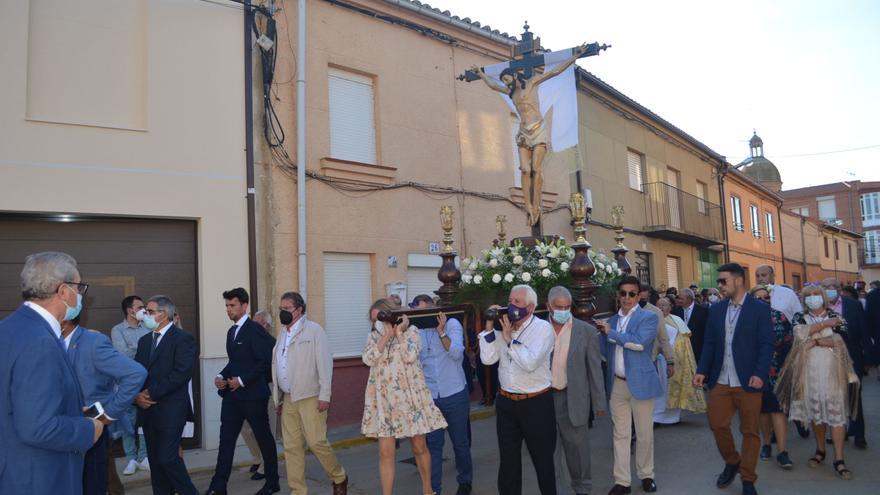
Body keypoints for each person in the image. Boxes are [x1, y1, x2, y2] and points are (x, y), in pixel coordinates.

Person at [0, 252, 103, 494]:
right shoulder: (41, 342)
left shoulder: (9, 328)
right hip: (40, 478)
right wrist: (89, 429)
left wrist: (69, 408)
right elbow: (37, 428)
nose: (80, 296)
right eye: (79, 287)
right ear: (64, 291)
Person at [472, 44, 588, 226]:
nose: (507, 84)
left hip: (538, 129)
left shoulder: (532, 83)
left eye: (509, 80)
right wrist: (480, 73)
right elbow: (493, 86)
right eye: (505, 82)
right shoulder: (511, 93)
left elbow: (554, 72)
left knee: (536, 169)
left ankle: (537, 206)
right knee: (525, 170)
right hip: (523, 132)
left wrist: (573, 58)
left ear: (515, 76)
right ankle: (528, 207)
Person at [694, 263, 774, 495]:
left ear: (738, 281)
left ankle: (748, 479)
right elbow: (709, 343)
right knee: (717, 423)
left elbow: (766, 344)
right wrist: (702, 370)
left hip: (749, 380)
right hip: (721, 379)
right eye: (719, 281)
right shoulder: (716, 309)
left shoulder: (759, 309)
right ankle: (732, 461)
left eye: (723, 281)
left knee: (750, 431)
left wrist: (760, 374)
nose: (719, 285)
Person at [363, 298, 447, 495]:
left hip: (410, 399)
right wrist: (384, 336)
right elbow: (367, 359)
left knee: (419, 447)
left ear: (391, 315)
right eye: (375, 320)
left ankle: (427, 490)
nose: (378, 323)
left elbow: (410, 356)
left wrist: (398, 333)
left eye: (381, 318)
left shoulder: (412, 332)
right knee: (385, 453)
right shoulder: (374, 336)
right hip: (385, 401)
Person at [479, 285, 557, 495]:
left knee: (543, 461)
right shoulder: (503, 326)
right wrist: (488, 325)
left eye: (517, 302)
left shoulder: (543, 329)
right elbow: (488, 358)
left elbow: (530, 363)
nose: (511, 305)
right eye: (510, 300)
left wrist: (509, 339)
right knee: (508, 462)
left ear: (530, 307)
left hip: (536, 403)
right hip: (506, 404)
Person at [775, 285, 858, 480]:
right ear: (803, 300)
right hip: (809, 373)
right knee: (816, 413)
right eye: (808, 296)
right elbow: (799, 338)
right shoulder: (799, 317)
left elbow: (843, 340)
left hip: (833, 373)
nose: (813, 298)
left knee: (837, 414)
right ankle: (820, 450)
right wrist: (825, 327)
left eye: (816, 295)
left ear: (823, 297)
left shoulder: (837, 316)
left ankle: (839, 458)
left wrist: (816, 340)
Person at [62, 316, 148, 495]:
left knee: (96, 481)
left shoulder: (92, 342)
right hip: (63, 428)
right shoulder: (50, 342)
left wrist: (108, 415)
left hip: (92, 425)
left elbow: (135, 374)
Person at [274, 292, 348, 495]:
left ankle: (339, 475)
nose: (282, 313)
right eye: (280, 309)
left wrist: (325, 395)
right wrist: (277, 397)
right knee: (292, 448)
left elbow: (325, 364)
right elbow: (277, 365)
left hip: (310, 397)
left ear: (299, 310)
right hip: (288, 398)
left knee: (316, 442)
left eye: (286, 309)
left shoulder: (314, 331)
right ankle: (298, 491)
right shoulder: (282, 334)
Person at [206, 288, 279, 495]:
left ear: (244, 306)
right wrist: (221, 376)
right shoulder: (231, 331)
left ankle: (272, 482)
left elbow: (265, 361)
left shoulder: (255, 330)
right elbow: (235, 362)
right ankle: (218, 485)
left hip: (254, 397)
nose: (228, 310)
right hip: (232, 397)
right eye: (227, 306)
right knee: (226, 441)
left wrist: (242, 380)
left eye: (232, 305)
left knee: (264, 439)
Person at [596, 275, 662, 495]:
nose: (627, 298)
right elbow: (605, 352)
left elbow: (639, 344)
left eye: (631, 294)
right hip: (617, 384)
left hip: (641, 383)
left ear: (638, 295)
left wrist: (611, 334)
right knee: (620, 435)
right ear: (618, 295)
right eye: (623, 293)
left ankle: (646, 475)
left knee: (644, 434)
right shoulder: (611, 321)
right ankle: (622, 481)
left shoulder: (648, 317)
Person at [134, 295, 198, 495]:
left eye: (150, 312)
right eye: (146, 312)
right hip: (148, 411)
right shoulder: (145, 341)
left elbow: (180, 374)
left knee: (168, 458)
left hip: (171, 410)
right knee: (156, 465)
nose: (146, 315)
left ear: (165, 314)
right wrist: (136, 396)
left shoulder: (183, 339)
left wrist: (150, 393)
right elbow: (137, 372)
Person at [410, 294, 473, 495]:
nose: (422, 316)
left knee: (460, 443)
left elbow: (456, 353)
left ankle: (465, 482)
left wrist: (441, 333)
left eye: (425, 312)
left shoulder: (452, 323)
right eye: (418, 312)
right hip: (430, 397)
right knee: (433, 446)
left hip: (454, 392)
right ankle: (433, 488)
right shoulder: (415, 331)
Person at [547, 286, 606, 495]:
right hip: (543, 401)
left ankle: (583, 489)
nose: (563, 310)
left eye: (566, 307)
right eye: (558, 307)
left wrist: (599, 403)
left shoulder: (586, 331)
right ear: (548, 306)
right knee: (547, 454)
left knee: (578, 454)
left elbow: (594, 369)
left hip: (574, 399)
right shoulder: (537, 329)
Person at [749, 285, 794, 469]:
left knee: (778, 410)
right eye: (758, 298)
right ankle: (767, 444)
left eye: (766, 298)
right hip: (755, 372)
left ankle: (783, 452)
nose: (763, 301)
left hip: (777, 371)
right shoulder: (745, 318)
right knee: (762, 411)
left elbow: (789, 342)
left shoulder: (779, 316)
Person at [821, 278, 868, 449]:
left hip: (852, 357)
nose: (830, 290)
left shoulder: (853, 305)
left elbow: (864, 330)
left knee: (854, 395)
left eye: (833, 286)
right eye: (826, 287)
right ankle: (839, 432)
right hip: (827, 359)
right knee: (833, 398)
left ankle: (859, 434)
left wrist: (867, 358)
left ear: (840, 289)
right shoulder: (819, 309)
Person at [111, 295, 151, 475]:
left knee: (143, 421)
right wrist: (141, 349)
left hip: (147, 382)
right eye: (140, 306)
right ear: (130, 310)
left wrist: (134, 347)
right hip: (126, 384)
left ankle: (143, 457)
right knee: (127, 422)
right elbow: (122, 355)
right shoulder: (117, 330)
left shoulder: (148, 327)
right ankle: (131, 459)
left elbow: (153, 350)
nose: (144, 309)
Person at [654, 297, 706, 424]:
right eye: (658, 305)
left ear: (670, 307)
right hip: (660, 359)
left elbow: (684, 340)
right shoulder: (652, 320)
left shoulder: (677, 319)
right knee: (661, 387)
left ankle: (673, 417)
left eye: (664, 305)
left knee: (674, 386)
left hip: (677, 360)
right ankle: (657, 417)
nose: (661, 307)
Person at [241, 309, 276, 481]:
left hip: (266, 388)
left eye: (256, 323)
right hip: (248, 388)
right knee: (246, 428)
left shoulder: (272, 343)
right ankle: (257, 457)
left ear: (266, 325)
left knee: (264, 430)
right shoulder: (248, 340)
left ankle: (266, 466)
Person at [638, 283, 675, 380]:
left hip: (650, 359)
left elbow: (663, 338)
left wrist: (670, 361)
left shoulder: (656, 312)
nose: (641, 303)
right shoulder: (627, 310)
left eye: (644, 300)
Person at [673, 288, 709, 366]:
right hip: (682, 351)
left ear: (689, 299)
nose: (679, 300)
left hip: (698, 350)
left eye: (681, 299)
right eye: (679, 298)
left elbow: (707, 331)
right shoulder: (676, 311)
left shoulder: (703, 311)